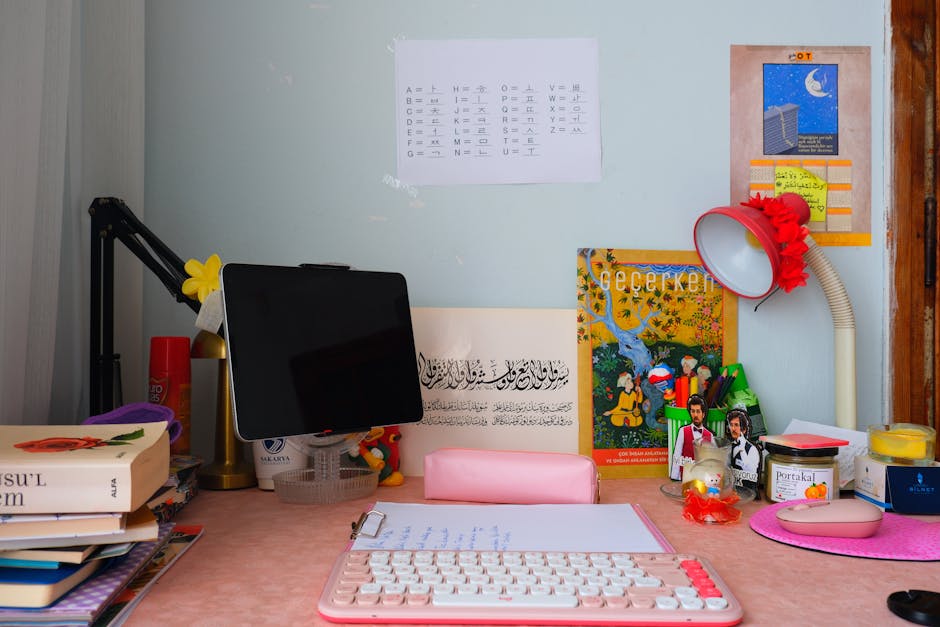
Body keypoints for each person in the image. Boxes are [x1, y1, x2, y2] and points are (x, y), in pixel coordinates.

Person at [670, 394, 713, 480]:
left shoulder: (709, 435)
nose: (695, 415)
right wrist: (675, 476)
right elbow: (677, 455)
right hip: (685, 476)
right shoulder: (683, 431)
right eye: (693, 411)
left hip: (701, 478)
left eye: (698, 411)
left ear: (703, 414)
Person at [727, 408, 760, 489]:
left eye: (736, 425)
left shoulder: (752, 449)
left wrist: (742, 450)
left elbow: (751, 472)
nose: (733, 429)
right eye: (731, 425)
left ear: (744, 429)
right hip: (730, 490)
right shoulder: (728, 446)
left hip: (747, 492)